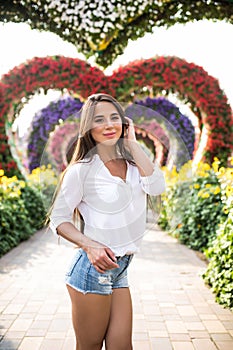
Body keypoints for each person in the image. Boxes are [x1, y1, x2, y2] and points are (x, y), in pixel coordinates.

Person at [48, 93, 166, 350]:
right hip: (93, 270)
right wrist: (89, 245)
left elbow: (157, 187)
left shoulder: (135, 165)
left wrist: (133, 144)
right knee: (89, 346)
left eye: (115, 117)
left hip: (121, 268)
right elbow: (58, 218)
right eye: (99, 119)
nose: (109, 124)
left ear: (125, 123)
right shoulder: (82, 169)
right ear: (88, 127)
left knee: (122, 346)